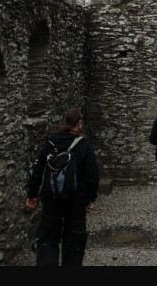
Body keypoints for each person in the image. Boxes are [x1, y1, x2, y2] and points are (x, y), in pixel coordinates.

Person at [25, 107, 99, 266]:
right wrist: (90, 199)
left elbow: (37, 171)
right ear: (79, 123)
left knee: (48, 239)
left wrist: (32, 195)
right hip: (75, 201)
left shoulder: (50, 143)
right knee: (74, 241)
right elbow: (92, 176)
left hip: (51, 200)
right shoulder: (83, 145)